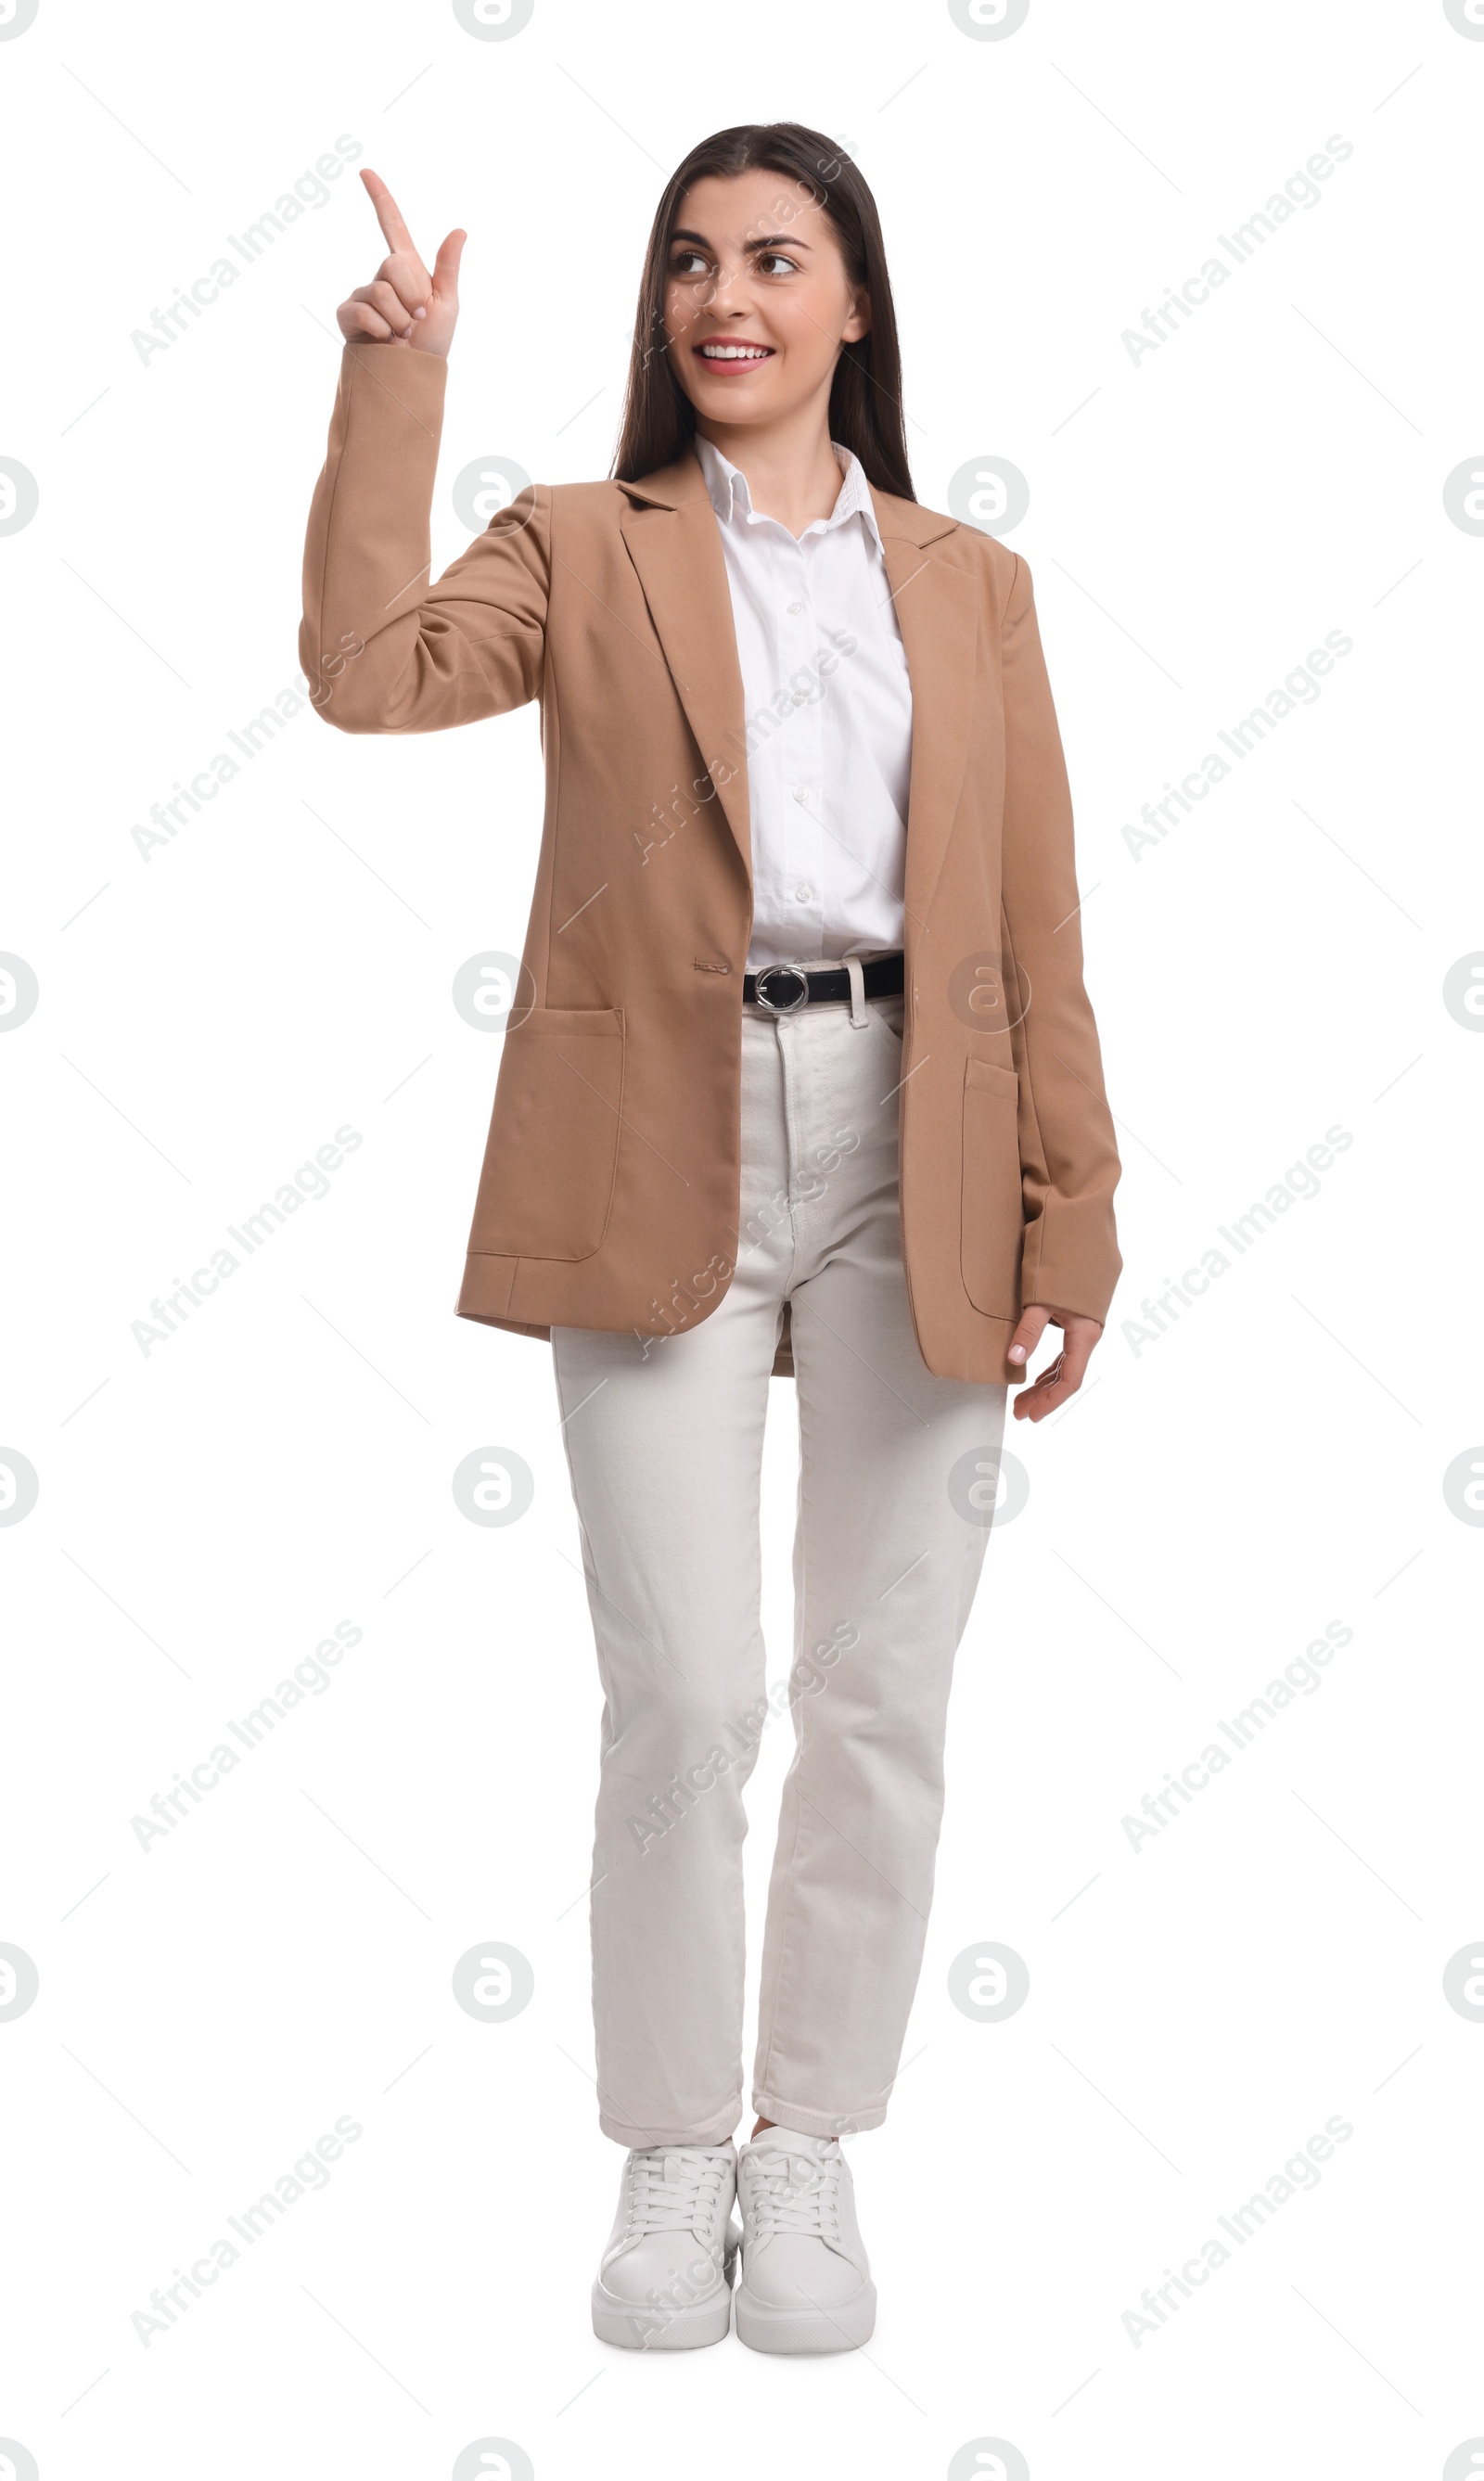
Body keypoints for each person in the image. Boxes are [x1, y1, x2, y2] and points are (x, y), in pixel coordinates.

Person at [301, 119, 1120, 2357]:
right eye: (687, 261)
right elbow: (369, 670)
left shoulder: (968, 580)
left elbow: (1034, 916)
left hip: (919, 1135)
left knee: (882, 1687)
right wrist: (401, 378)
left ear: (853, 301)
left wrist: (1080, 1208)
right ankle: (672, 2145)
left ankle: (807, 2146)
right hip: (649, 1130)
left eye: (773, 257)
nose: (723, 296)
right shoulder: (578, 541)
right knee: (681, 1692)